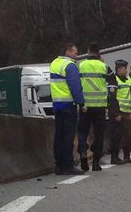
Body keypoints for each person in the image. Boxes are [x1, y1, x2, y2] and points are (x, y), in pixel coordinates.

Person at [50, 42, 85, 175]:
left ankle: (59, 165)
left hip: (57, 105)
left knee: (58, 135)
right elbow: (75, 87)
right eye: (75, 53)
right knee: (68, 137)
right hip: (68, 105)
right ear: (68, 52)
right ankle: (68, 165)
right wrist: (81, 103)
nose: (77, 56)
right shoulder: (70, 65)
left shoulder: (54, 63)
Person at [77, 43, 108, 171]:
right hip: (100, 106)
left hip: (86, 106)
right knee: (99, 134)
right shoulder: (103, 66)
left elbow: (78, 84)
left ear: (88, 51)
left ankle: (83, 155)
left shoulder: (81, 65)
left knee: (82, 132)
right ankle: (96, 163)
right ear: (98, 52)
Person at [108, 59, 130, 165]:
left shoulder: (126, 80)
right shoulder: (114, 80)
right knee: (115, 136)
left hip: (125, 112)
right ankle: (114, 157)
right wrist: (116, 113)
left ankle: (122, 156)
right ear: (120, 69)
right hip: (117, 113)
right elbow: (112, 98)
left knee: (123, 135)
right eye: (125, 69)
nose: (126, 71)